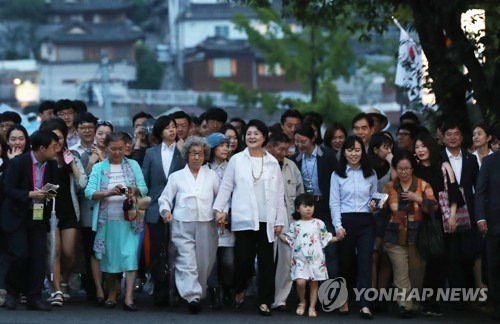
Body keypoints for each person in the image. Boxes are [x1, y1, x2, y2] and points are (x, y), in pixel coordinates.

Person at [213, 119, 287, 316]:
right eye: (249, 133)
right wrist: (220, 209)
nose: (252, 137)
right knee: (243, 262)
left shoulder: (272, 162)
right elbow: (226, 187)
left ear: (264, 137)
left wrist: (280, 220)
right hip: (244, 218)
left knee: (266, 264)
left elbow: (279, 194)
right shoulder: (237, 160)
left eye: (256, 133)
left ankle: (264, 301)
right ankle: (238, 288)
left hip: (267, 219)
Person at [85, 132, 148, 312]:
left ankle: (128, 297)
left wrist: (133, 190)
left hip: (129, 220)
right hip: (107, 221)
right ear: (106, 148)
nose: (117, 152)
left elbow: (143, 188)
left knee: (130, 258)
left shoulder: (133, 165)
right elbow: (89, 192)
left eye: (121, 148)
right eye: (113, 149)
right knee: (110, 260)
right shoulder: (99, 168)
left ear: (126, 147)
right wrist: (107, 193)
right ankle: (112, 294)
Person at [159, 136, 220, 314]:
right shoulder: (177, 176)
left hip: (206, 222)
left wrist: (221, 211)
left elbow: (221, 198)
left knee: (205, 261)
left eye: (200, 154)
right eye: (193, 153)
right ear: (187, 155)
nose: (196, 157)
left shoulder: (212, 175)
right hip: (181, 222)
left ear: (205, 155)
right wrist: (165, 211)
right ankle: (191, 295)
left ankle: (198, 292)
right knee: (186, 260)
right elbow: (165, 198)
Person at [1, 130, 59, 311]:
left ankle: (34, 296)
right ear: (42, 148)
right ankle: (12, 292)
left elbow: (56, 187)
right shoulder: (19, 162)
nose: (55, 150)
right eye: (53, 147)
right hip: (17, 215)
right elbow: (7, 190)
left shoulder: (51, 165)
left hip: (39, 214)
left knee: (38, 257)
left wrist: (49, 193)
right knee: (19, 255)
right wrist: (30, 194)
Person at [382, 150, 438, 318]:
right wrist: (375, 206)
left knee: (416, 273)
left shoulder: (423, 185)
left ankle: (412, 304)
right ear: (396, 169)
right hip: (394, 236)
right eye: (400, 169)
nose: (404, 172)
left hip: (418, 236)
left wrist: (418, 199)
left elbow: (434, 207)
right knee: (401, 272)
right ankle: (404, 306)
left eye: (407, 168)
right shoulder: (389, 186)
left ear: (413, 169)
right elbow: (382, 208)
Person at [39, 118, 87, 306]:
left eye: (60, 138)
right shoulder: (42, 157)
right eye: (53, 139)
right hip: (49, 211)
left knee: (69, 253)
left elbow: (82, 184)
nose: (56, 143)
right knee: (55, 251)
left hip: (68, 210)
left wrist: (72, 164)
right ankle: (55, 288)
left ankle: (64, 280)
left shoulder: (72, 156)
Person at [330, 135, 378, 319]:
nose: (353, 154)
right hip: (346, 221)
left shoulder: (370, 173)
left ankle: (365, 304)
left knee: (365, 262)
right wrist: (338, 226)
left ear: (362, 151)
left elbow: (375, 198)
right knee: (345, 263)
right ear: (344, 152)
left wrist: (375, 207)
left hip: (366, 221)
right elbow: (334, 203)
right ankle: (343, 300)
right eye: (349, 150)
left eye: (357, 150)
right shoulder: (338, 174)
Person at [142, 115, 185, 306]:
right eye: (168, 127)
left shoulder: (183, 151)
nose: (172, 130)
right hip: (154, 208)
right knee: (157, 251)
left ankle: (179, 292)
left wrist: (184, 152)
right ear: (160, 131)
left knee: (180, 252)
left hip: (179, 207)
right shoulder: (151, 153)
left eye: (174, 127)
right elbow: (144, 182)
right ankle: (159, 292)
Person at [279, 193, 339, 317]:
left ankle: (312, 306)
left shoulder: (319, 223)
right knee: (300, 282)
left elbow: (326, 238)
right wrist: (279, 234)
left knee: (314, 283)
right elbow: (289, 239)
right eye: (305, 206)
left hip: (316, 259)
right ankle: (302, 302)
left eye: (311, 206)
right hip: (300, 259)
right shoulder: (295, 224)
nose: (308, 209)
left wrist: (337, 238)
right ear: (297, 208)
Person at [291, 124, 338, 278]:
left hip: (326, 205)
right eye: (296, 141)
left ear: (312, 139)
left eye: (303, 141)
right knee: (305, 251)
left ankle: (331, 291)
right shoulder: (295, 159)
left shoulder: (328, 155)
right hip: (305, 208)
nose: (299, 145)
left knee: (329, 248)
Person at [441, 121, 480, 307]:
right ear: (443, 137)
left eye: (456, 133)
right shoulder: (438, 158)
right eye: (449, 133)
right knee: (451, 254)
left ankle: (469, 293)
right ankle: (456, 299)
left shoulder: (471, 159)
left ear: (461, 137)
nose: (453, 137)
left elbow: (478, 187)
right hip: (446, 211)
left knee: (468, 253)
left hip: (469, 212)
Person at [266, 131, 304, 310]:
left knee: (287, 260)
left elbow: (299, 193)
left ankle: (280, 299)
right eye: (280, 148)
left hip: (288, 219)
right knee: (266, 259)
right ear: (270, 147)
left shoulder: (291, 166)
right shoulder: (262, 165)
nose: (284, 152)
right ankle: (264, 295)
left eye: (286, 149)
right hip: (265, 219)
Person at [205, 133, 233, 309]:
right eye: (221, 145)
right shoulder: (205, 169)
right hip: (209, 218)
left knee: (228, 261)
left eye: (227, 145)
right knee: (211, 261)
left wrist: (226, 212)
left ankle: (228, 289)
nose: (225, 149)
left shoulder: (233, 167)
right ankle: (214, 292)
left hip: (229, 219)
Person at [476, 149, 500, 320]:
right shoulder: (490, 162)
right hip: (494, 222)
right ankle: (497, 303)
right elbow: (480, 192)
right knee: (495, 266)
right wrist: (481, 218)